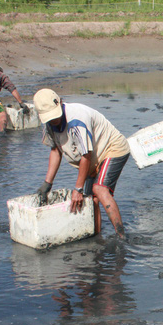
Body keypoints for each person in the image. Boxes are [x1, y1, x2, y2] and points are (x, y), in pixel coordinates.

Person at [33, 88, 131, 239]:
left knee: (99, 189)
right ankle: (97, 237)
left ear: (59, 102)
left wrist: (77, 189)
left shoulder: (76, 120)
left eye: (55, 116)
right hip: (93, 156)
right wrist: (48, 183)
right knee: (90, 199)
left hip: (112, 148)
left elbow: (86, 155)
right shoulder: (48, 125)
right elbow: (55, 151)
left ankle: (122, 236)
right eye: (50, 118)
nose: (54, 120)